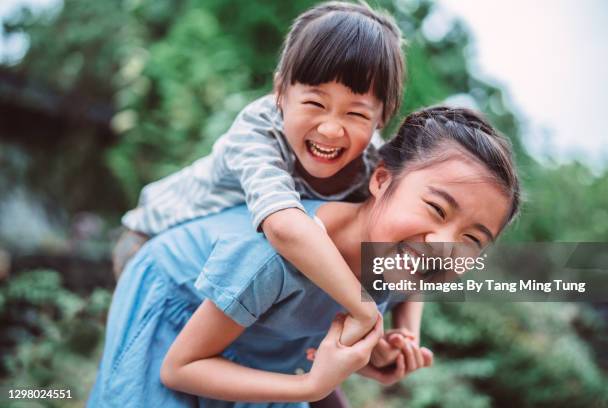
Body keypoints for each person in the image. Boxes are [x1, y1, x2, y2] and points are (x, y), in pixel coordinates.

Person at [89, 107, 521, 407]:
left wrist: (397, 341)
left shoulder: (395, 260)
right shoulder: (274, 257)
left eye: (471, 240)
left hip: (259, 344)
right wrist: (313, 386)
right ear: (382, 181)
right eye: (436, 209)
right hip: (178, 315)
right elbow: (180, 368)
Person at [113, 1, 406, 347]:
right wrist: (365, 309)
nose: (330, 129)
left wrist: (404, 331)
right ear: (280, 92)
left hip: (230, 275)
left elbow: (406, 238)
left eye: (356, 114)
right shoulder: (258, 129)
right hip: (152, 246)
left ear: (381, 118)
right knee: (156, 372)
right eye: (315, 103)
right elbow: (282, 227)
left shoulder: (372, 164)